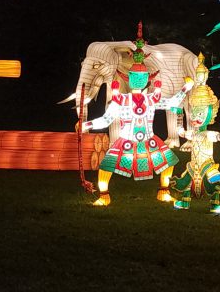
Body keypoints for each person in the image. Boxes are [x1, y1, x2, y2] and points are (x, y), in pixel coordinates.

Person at [81, 29, 193, 207]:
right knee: (106, 167)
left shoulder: (151, 99)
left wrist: (186, 88)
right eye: (136, 77)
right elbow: (106, 119)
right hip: (125, 141)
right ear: (129, 78)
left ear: (148, 79)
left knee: (169, 161)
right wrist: (85, 124)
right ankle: (104, 195)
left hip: (149, 141)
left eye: (142, 77)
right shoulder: (121, 100)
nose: (139, 80)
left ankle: (163, 192)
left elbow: (172, 102)